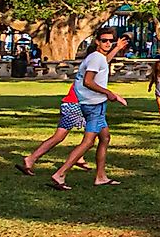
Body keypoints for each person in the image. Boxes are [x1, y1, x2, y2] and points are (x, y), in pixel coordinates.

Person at [19, 27, 128, 189]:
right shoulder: (95, 58)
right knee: (87, 142)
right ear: (97, 41)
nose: (108, 43)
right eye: (104, 40)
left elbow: (103, 65)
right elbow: (88, 81)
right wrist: (111, 94)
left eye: (110, 41)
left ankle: (101, 176)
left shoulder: (97, 58)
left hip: (92, 104)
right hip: (93, 105)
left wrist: (117, 48)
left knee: (104, 138)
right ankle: (60, 174)